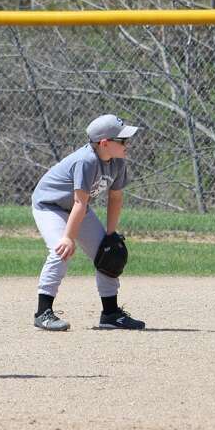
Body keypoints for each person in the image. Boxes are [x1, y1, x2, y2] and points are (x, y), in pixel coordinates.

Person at [31, 114, 145, 332]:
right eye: (122, 140)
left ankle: (110, 314)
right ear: (104, 143)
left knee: (109, 253)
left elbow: (116, 197)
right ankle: (43, 312)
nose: (127, 145)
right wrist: (68, 237)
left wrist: (111, 234)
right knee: (61, 250)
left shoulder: (118, 162)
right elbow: (79, 203)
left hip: (77, 208)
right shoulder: (86, 160)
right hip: (50, 206)